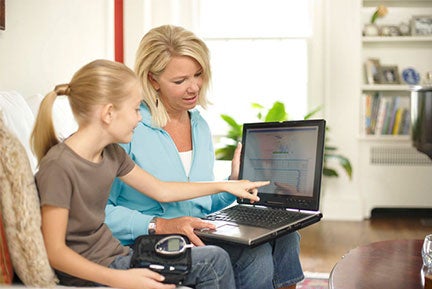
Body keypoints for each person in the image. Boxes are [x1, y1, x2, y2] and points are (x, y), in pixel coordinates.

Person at [30, 59, 269, 289]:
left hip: (119, 256)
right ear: (108, 113)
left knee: (234, 252)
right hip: (96, 270)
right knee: (212, 261)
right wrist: (118, 279)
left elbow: (162, 190)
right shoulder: (59, 167)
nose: (140, 117)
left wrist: (225, 185)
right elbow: (55, 252)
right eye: (135, 109)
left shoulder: (111, 154)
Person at [106, 25, 304, 289]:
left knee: (287, 236)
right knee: (254, 256)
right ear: (153, 80)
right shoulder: (130, 127)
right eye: (180, 81)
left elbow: (200, 205)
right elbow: (99, 212)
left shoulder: (199, 125)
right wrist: (159, 224)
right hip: (151, 240)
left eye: (198, 75)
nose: (194, 87)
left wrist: (233, 183)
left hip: (197, 233)